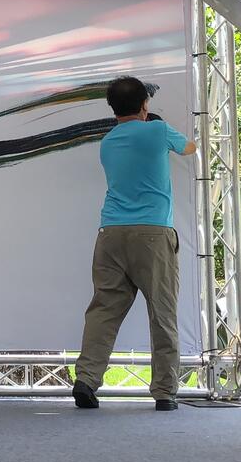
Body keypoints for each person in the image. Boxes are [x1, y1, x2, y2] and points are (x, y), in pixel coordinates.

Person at [73, 77, 196, 411]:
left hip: (110, 233)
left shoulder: (108, 142)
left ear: (112, 108)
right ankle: (165, 391)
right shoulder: (158, 131)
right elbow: (189, 148)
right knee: (162, 312)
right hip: (153, 233)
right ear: (145, 104)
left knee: (104, 310)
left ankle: (86, 380)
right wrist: (157, 124)